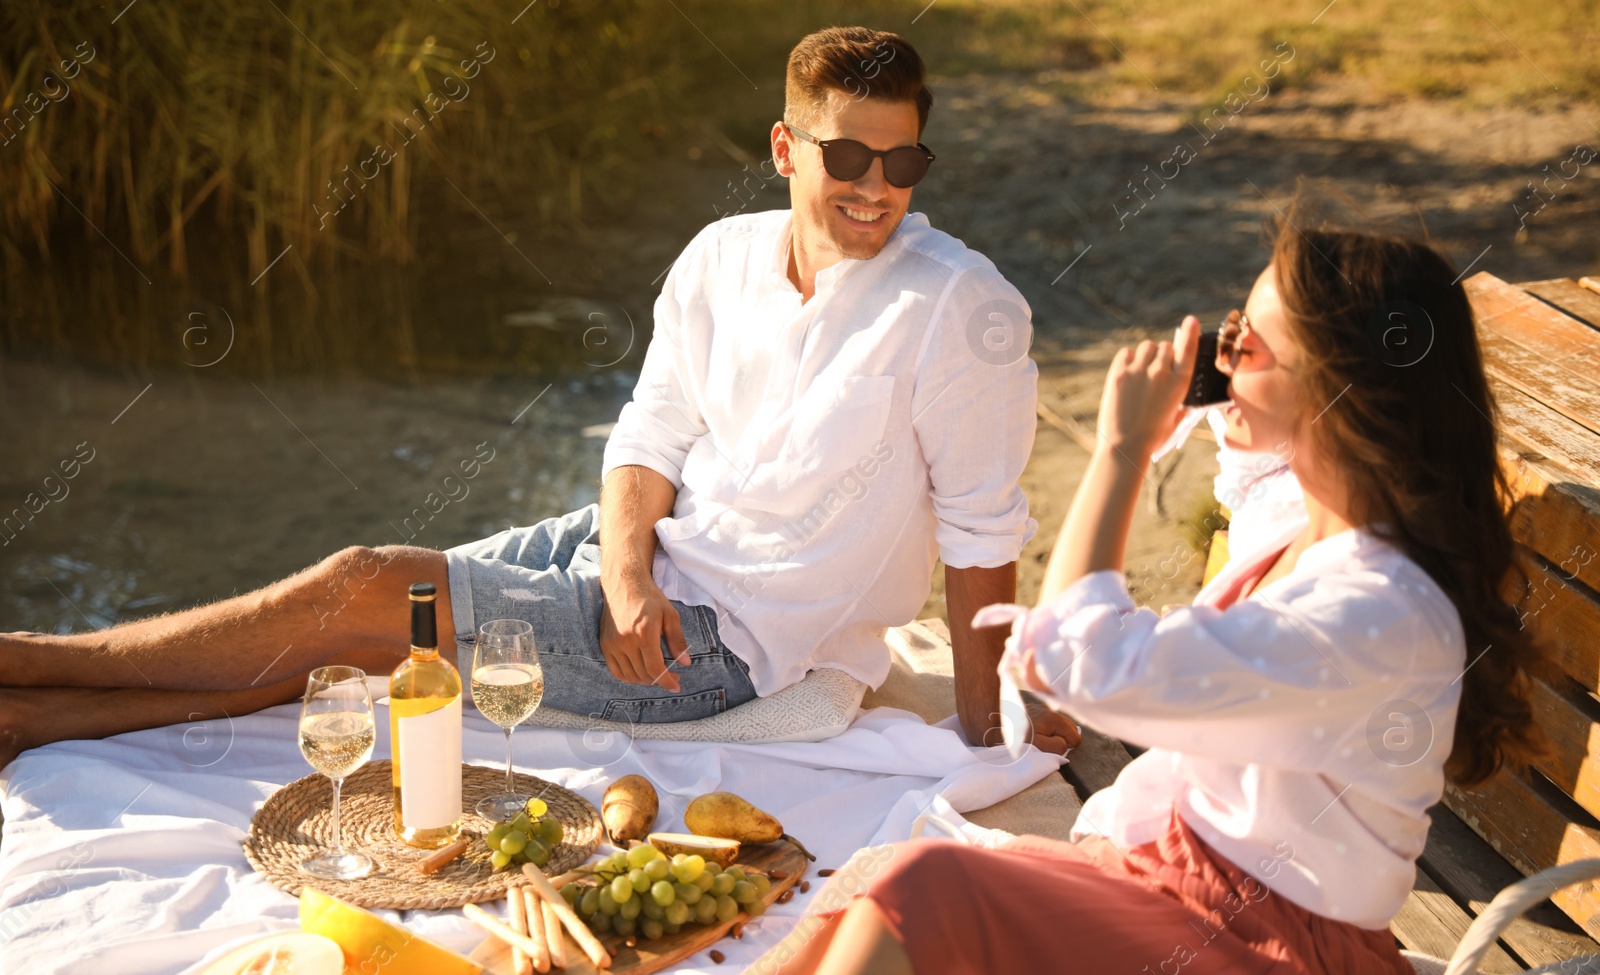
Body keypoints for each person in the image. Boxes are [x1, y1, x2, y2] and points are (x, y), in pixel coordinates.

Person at [0, 26, 1080, 769]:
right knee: (380, 638)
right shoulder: (719, 256)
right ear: (785, 148)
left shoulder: (959, 310)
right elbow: (651, 429)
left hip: (729, 644)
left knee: (366, 583)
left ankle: (30, 665)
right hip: (647, 557)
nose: (876, 188)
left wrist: (985, 732)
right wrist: (623, 573)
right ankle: (35, 715)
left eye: (905, 164)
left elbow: (983, 527)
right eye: (849, 154)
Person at [654, 221, 1549, 975]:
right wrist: (1211, 396)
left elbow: (1079, 664)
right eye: (1230, 330)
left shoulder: (1373, 610)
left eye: (1250, 345)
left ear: (1341, 388)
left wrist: (1120, 455)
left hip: (1271, 961)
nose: (1223, 355)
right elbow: (1255, 474)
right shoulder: (1307, 527)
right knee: (879, 881)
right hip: (1186, 892)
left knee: (931, 894)